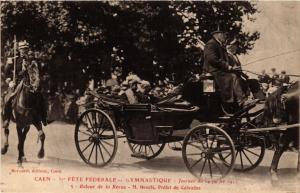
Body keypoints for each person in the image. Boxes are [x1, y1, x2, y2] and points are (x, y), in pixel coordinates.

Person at [2, 41, 48, 126]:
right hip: (17, 82)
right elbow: (6, 72)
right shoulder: (14, 60)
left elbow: (38, 71)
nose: (24, 51)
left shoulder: (32, 60)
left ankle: (44, 118)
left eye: (25, 49)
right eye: (22, 49)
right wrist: (9, 81)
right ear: (19, 50)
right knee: (8, 98)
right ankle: (6, 118)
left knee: (41, 97)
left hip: (30, 83)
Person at [203, 29, 249, 107]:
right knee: (233, 77)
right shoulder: (211, 44)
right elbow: (212, 59)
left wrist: (232, 67)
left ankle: (236, 104)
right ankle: (242, 101)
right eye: (224, 34)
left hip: (219, 71)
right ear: (218, 34)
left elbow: (224, 60)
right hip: (212, 72)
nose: (225, 36)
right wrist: (227, 66)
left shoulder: (220, 45)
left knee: (237, 76)